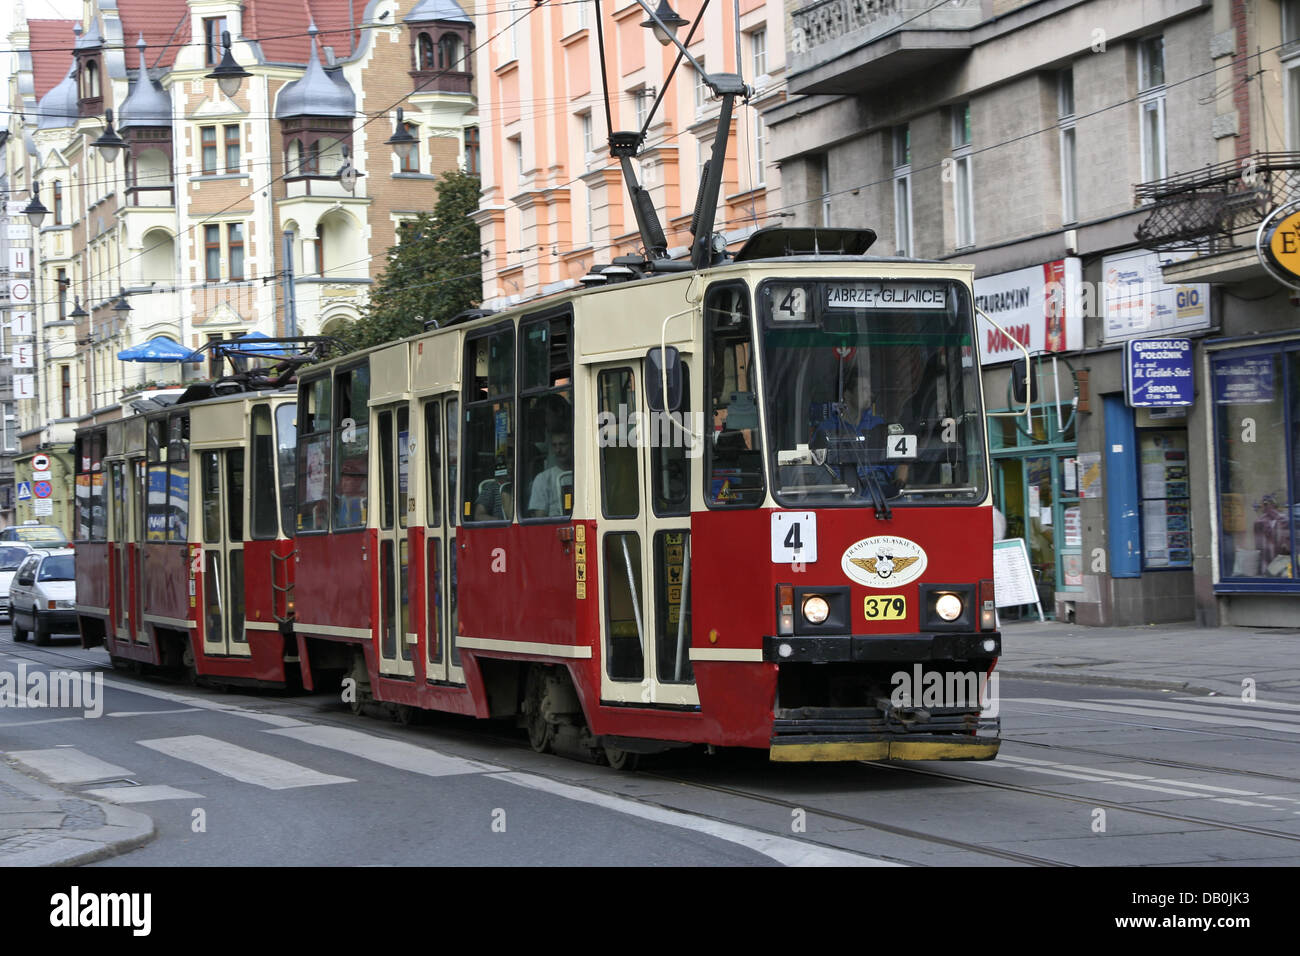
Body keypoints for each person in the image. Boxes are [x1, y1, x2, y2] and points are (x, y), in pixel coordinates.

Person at [811, 366, 908, 497]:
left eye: (869, 389)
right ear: (847, 394)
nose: (869, 394)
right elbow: (816, 466)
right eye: (863, 390)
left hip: (880, 492)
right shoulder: (826, 429)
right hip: (841, 492)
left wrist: (900, 482)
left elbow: (901, 461)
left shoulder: (879, 425)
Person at [528, 430, 573, 517]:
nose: (558, 450)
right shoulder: (542, 479)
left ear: (573, 445)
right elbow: (540, 518)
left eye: (562, 444)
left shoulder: (585, 477)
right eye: (554, 445)